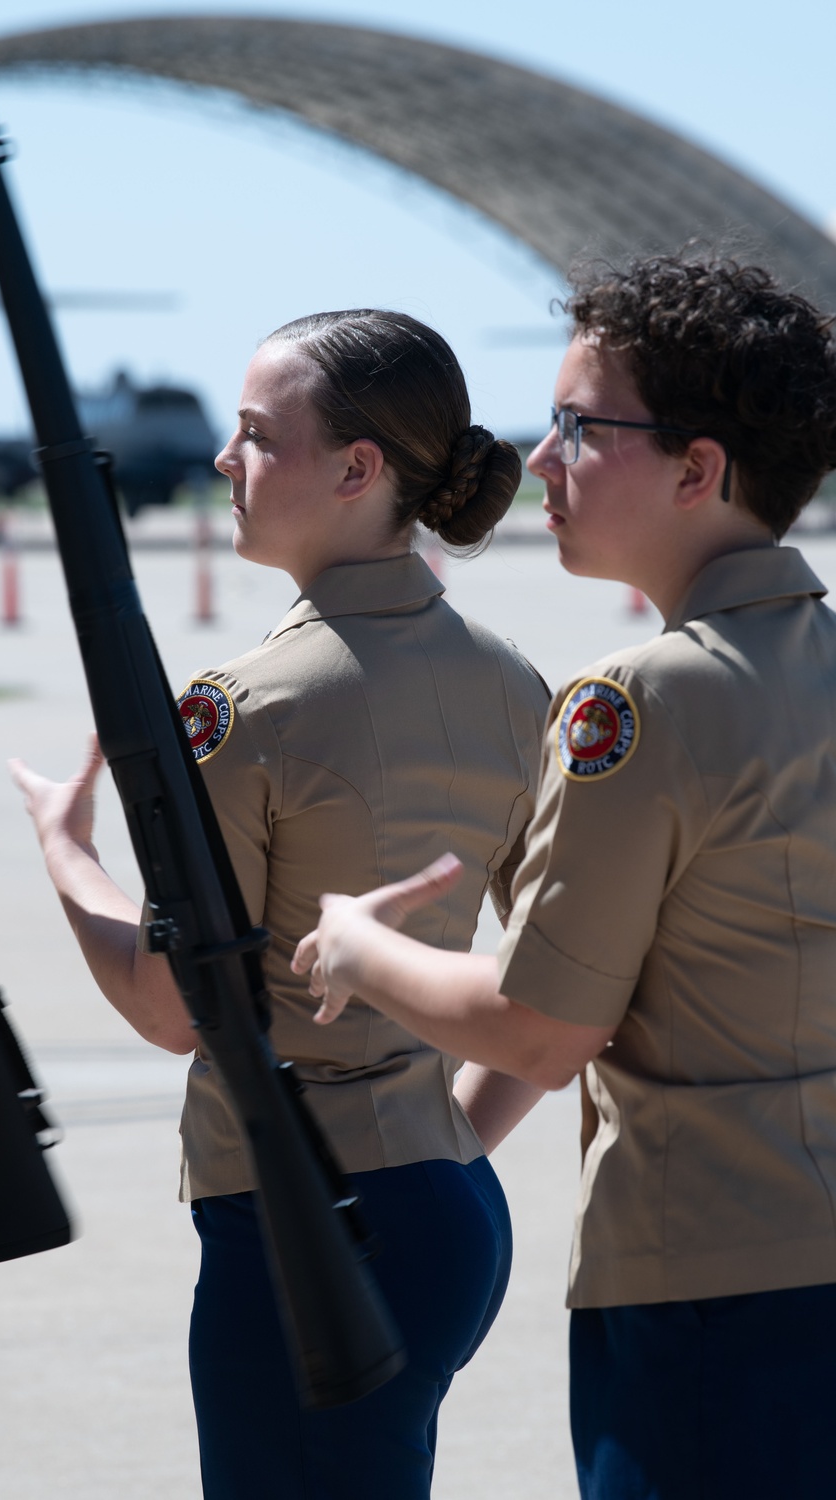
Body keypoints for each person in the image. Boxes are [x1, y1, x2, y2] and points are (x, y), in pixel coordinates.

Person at [293, 256, 836, 1500]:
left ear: (697, 471)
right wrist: (448, 1155)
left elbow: (541, 1027)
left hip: (710, 1293)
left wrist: (359, 950)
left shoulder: (638, 699)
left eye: (581, 427)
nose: (538, 458)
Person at [10, 309, 551, 1499]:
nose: (224, 459)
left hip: (303, 1232)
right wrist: (440, 1135)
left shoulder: (244, 707)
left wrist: (65, 855)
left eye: (257, 434)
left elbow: (175, 1007)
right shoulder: (515, 683)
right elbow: (576, 989)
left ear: (359, 471)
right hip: (453, 1204)